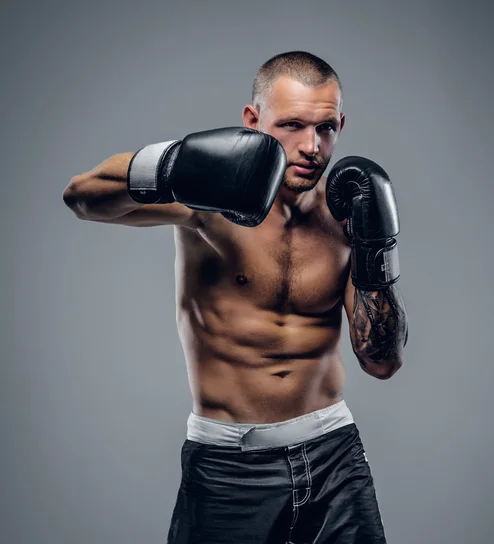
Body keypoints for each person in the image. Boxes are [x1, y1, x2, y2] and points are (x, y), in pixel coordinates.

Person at [63, 50, 408, 544]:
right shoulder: (212, 198)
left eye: (327, 127)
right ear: (253, 120)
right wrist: (177, 162)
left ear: (341, 124)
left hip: (334, 454)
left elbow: (381, 361)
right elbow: (80, 196)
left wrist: (377, 253)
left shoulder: (348, 212)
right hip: (229, 465)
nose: (312, 146)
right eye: (292, 125)